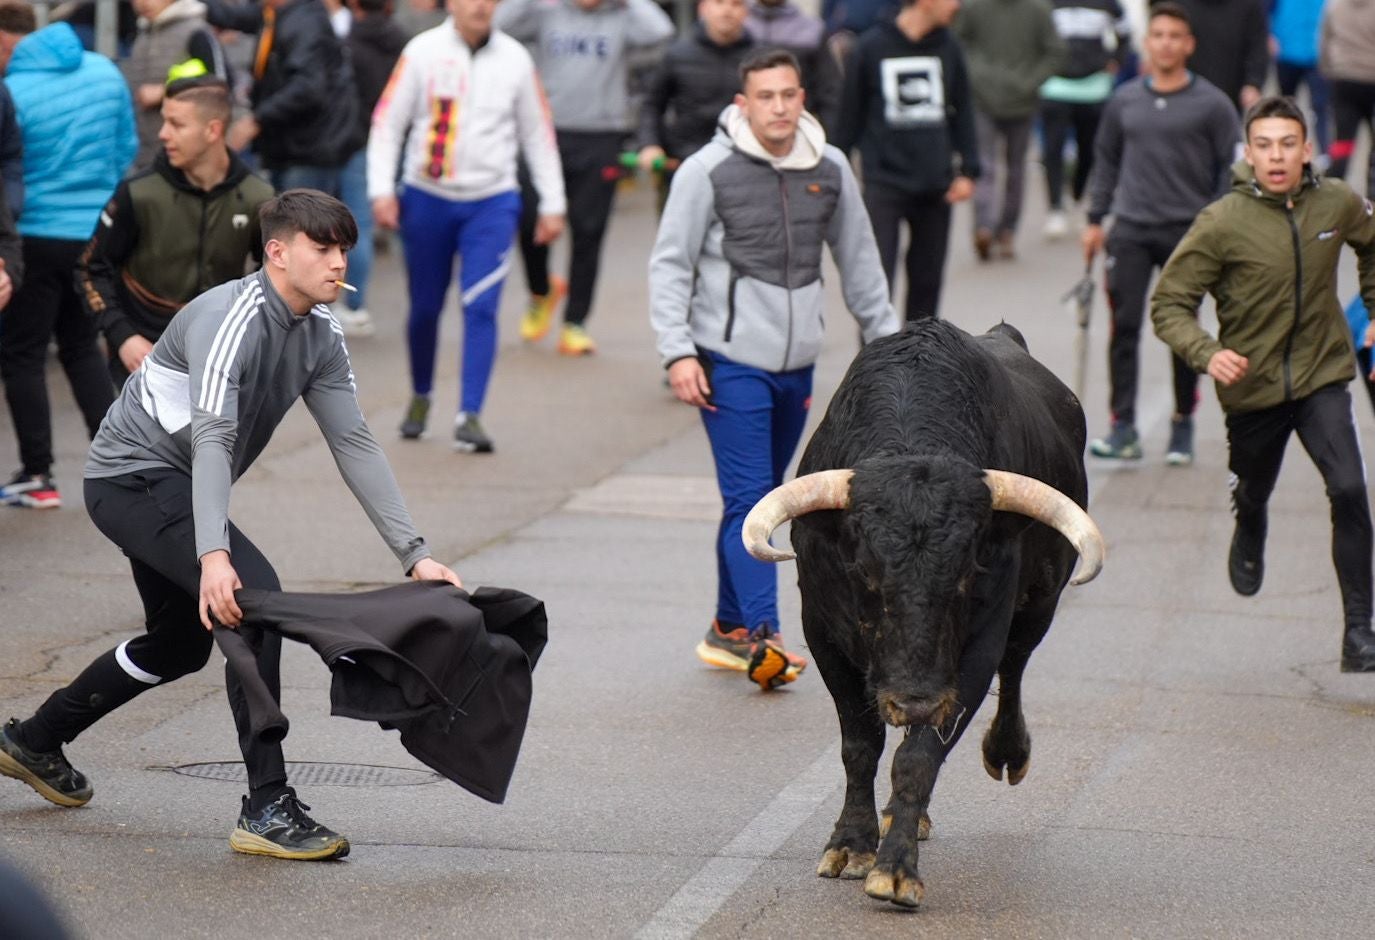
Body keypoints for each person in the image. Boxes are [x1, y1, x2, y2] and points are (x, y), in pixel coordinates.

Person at [0, 189, 465, 858]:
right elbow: (213, 437)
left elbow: (353, 441)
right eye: (322, 248)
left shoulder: (320, 331)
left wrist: (414, 553)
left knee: (177, 646)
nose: (339, 262)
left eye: (344, 249)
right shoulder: (229, 317)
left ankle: (34, 740)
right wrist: (215, 554)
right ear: (277, 253)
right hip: (131, 478)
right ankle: (266, 806)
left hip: (175, 482)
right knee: (253, 600)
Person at [649, 49, 899, 690]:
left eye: (789, 94)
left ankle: (728, 628)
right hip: (728, 361)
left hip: (797, 366)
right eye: (766, 96)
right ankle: (766, 637)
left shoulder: (830, 167)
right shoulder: (705, 171)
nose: (779, 107)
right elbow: (670, 264)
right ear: (744, 103)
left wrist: (891, 352)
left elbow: (861, 265)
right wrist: (677, 351)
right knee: (755, 499)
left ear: (802, 99)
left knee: (757, 495)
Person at [1150, 96, 1375, 673]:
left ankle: (1359, 632)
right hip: (1253, 388)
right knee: (1253, 490)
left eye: (1288, 144)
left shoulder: (1337, 202)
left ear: (1307, 150)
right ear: (1249, 153)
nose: (1277, 156)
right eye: (1265, 145)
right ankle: (1249, 521)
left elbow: (1372, 244)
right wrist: (1208, 353)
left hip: (1323, 375)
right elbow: (1169, 303)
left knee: (1350, 489)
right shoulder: (1222, 221)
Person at [369, 0, 566, 453]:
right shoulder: (422, 51)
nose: (480, 5)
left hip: (492, 201)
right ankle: (421, 394)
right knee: (425, 307)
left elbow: (538, 133)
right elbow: (387, 124)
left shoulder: (515, 58)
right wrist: (381, 191)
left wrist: (553, 202)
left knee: (481, 305)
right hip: (427, 197)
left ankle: (469, 413)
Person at [1081, 1, 1237, 464]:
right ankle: (1122, 426)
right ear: (1147, 42)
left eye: (1175, 36)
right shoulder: (1124, 100)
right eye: (1159, 35)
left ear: (1189, 45)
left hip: (1187, 235)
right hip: (1130, 229)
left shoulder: (1213, 104)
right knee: (1123, 328)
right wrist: (1095, 219)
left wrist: (1218, 227)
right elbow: (1106, 161)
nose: (1166, 43)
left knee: (1180, 329)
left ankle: (1182, 423)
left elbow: (1228, 172)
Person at [0, 5, 135, 510]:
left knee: (23, 353)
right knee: (81, 347)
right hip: (93, 233)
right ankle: (122, 464)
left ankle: (38, 474)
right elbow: (126, 148)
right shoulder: (106, 73)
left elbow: (10, 165)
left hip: (34, 233)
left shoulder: (14, 88)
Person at [496, 0, 673, 356]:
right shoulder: (546, 12)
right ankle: (541, 291)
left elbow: (661, 31)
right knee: (530, 219)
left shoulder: (621, 17)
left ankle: (575, 323)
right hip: (546, 132)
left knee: (589, 231)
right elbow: (501, 22)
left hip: (601, 135)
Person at [76, 75, 275, 389]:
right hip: (143, 354)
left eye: (176, 124)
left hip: (219, 353)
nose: (163, 133)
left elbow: (276, 277)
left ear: (213, 130)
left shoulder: (258, 197)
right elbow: (90, 268)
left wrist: (248, 331)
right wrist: (123, 336)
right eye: (164, 121)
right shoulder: (138, 192)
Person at [832, 0, 978, 321]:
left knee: (927, 285)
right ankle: (877, 353)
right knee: (877, 283)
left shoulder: (949, 46)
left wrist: (969, 169)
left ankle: (921, 351)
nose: (957, 5)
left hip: (936, 184)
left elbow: (964, 110)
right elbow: (848, 118)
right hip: (884, 183)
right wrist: (832, 176)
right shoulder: (870, 47)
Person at [955, 0, 1064, 261]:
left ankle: (1007, 229)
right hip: (982, 99)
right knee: (985, 164)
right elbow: (957, 42)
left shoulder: (1037, 9)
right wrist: (975, 76)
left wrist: (1030, 81)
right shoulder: (974, 7)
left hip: (1022, 101)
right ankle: (984, 226)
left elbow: (1056, 52)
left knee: (1016, 168)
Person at [636, 0, 755, 207]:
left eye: (736, 4)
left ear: (746, 12)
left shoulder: (759, 59)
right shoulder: (677, 54)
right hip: (683, 163)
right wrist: (649, 144)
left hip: (744, 166)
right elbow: (652, 105)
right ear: (703, 8)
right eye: (719, 2)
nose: (727, 10)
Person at [336, 0, 407, 340]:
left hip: (360, 142)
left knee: (358, 224)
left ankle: (354, 306)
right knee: (386, 222)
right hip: (397, 139)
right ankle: (360, 305)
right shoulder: (403, 41)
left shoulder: (350, 45)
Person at [1037, 0, 1130, 239]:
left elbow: (1125, 32)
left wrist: (1116, 60)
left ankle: (1078, 195)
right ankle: (1055, 208)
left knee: (1089, 150)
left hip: (1093, 87)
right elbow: (1030, 34)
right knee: (1052, 150)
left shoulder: (1108, 3)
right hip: (1055, 86)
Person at [122, 0, 229, 173]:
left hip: (188, 161)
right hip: (145, 154)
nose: (142, 3)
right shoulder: (142, 33)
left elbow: (219, 86)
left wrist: (163, 92)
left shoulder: (195, 31)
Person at [745, 0, 841, 132]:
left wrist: (829, 138)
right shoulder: (736, 25)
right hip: (741, 129)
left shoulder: (811, 30)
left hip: (798, 130)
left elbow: (830, 92)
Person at [1318, 0, 1375, 196]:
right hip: (1372, 79)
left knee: (1343, 141)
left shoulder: (1334, 6)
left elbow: (1324, 40)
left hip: (1343, 78)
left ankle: (1332, 193)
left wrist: (1327, 70)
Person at [1177, 0, 1268, 113]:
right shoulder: (1180, 4)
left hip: (1231, 91)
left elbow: (1257, 46)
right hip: (1186, 91)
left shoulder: (1248, 5)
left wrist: (1253, 83)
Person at [1271, 0, 1330, 163]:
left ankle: (1324, 153)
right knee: (1286, 104)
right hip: (1287, 52)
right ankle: (1284, 146)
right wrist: (1270, 34)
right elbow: (1265, 8)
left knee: (1320, 106)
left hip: (1317, 55)